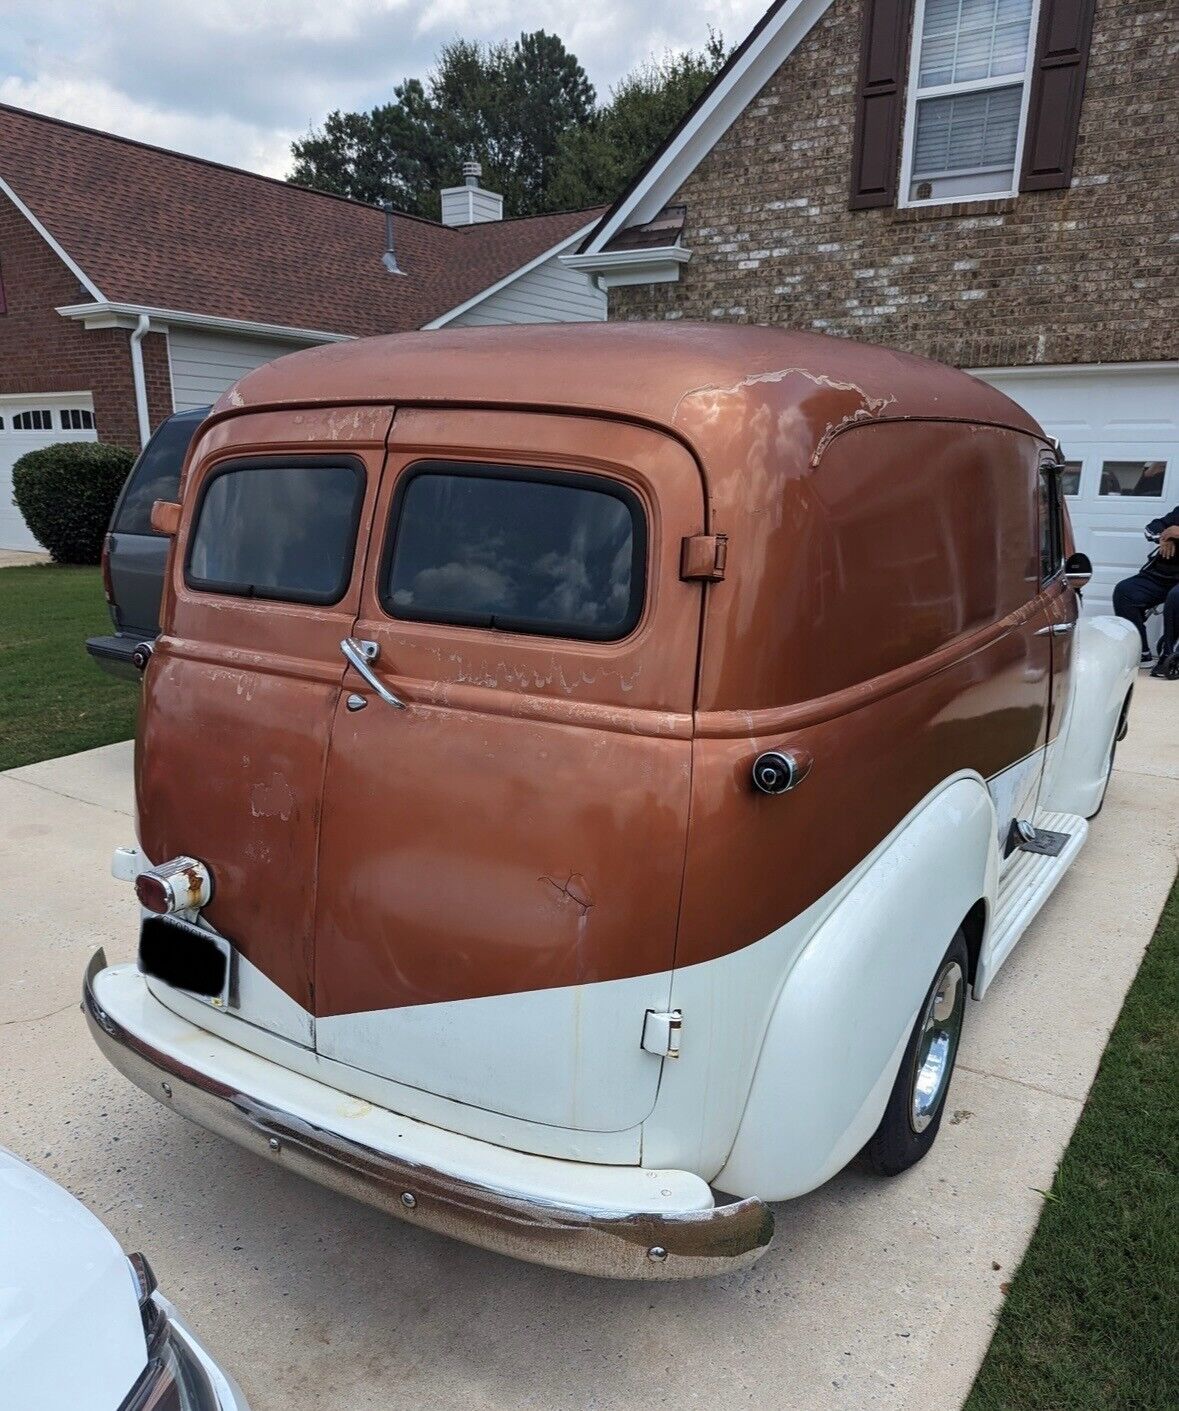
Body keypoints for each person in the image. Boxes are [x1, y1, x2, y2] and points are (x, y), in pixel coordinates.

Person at [1112, 502, 1179, 678]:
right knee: (1125, 591)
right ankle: (1141, 652)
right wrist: (1165, 537)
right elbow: (1151, 529)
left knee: (1175, 596)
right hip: (1162, 576)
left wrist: (1176, 532)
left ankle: (1169, 655)